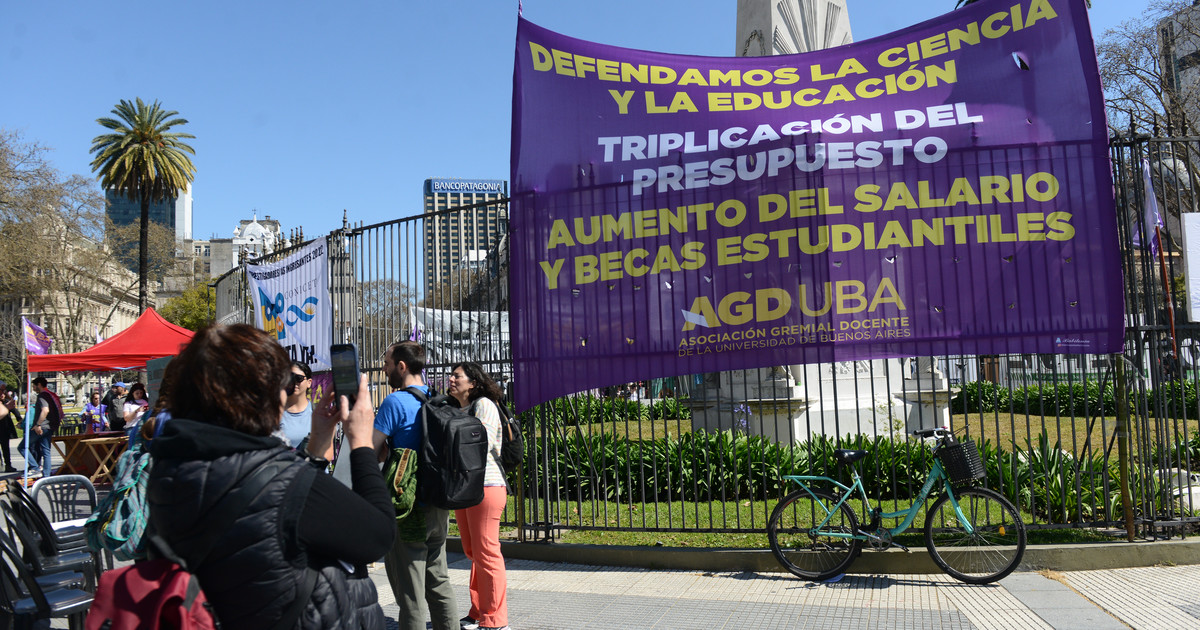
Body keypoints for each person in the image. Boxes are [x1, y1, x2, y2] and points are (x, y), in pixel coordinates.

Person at [147, 323, 394, 630]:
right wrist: (362, 443)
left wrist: (317, 444)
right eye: (283, 383)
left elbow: (273, 515)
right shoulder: (283, 481)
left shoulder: (170, 466)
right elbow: (378, 536)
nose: (286, 393)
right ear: (259, 394)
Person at [371, 341, 458, 630]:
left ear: (402, 366)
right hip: (438, 502)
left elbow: (371, 451)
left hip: (407, 506)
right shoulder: (438, 399)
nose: (385, 370)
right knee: (439, 580)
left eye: (387, 364)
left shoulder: (394, 402)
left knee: (411, 592)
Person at [447, 362, 510, 630]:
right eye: (451, 375)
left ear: (472, 383)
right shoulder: (456, 409)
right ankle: (479, 611)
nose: (451, 379)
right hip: (465, 487)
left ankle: (496, 620)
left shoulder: (483, 404)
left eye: (457, 376)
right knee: (473, 552)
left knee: (487, 552)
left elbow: (480, 446)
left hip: (486, 485)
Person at [18, 377, 62, 478]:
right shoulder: (50, 395)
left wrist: (38, 424)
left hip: (42, 427)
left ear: (39, 385)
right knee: (46, 451)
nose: (33, 388)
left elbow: (45, 410)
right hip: (49, 426)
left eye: (34, 386)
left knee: (22, 447)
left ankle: (35, 468)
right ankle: (46, 475)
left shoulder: (42, 396)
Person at [279, 361, 313, 447]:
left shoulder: (317, 412)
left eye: (298, 378)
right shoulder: (275, 413)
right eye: (290, 378)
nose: (293, 383)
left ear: (309, 382)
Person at [0, 381, 19, 473]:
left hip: (4, 428)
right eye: (1, 390)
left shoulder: (6, 401)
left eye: (4, 390)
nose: (3, 393)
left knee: (5, 448)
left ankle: (8, 465)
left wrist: (20, 420)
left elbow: (15, 411)